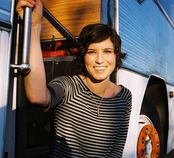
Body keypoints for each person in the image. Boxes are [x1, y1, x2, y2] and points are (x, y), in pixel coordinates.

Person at [16, 0, 132, 157]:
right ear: (83, 56)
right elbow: (37, 96)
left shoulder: (124, 96)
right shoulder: (68, 86)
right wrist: (34, 27)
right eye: (92, 52)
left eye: (107, 51)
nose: (99, 60)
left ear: (116, 55)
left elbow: (116, 150)